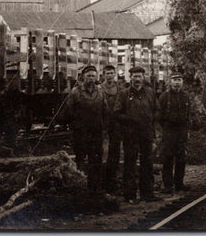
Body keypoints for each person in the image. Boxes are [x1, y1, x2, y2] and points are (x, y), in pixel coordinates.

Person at [114, 65, 161, 203]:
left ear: (143, 78)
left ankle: (148, 194)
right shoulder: (124, 94)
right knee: (130, 163)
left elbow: (158, 109)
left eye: (139, 76)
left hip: (146, 133)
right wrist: (130, 119)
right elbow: (116, 113)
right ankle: (130, 195)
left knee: (147, 163)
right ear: (130, 78)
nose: (137, 79)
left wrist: (153, 118)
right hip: (130, 134)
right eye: (134, 77)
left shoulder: (150, 93)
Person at [62, 64, 108, 194]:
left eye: (93, 76)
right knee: (81, 159)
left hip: (96, 132)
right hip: (81, 132)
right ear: (83, 77)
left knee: (96, 160)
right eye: (88, 76)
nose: (91, 79)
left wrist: (103, 128)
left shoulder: (100, 92)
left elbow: (106, 111)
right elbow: (68, 113)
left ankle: (96, 189)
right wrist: (76, 124)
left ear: (96, 77)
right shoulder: (75, 92)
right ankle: (81, 188)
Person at [157, 73, 191, 194]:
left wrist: (186, 130)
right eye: (175, 80)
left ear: (182, 82)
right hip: (169, 130)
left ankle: (179, 183)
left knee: (181, 157)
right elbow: (159, 115)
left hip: (182, 129)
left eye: (179, 80)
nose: (177, 82)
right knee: (168, 157)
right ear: (170, 82)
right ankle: (168, 185)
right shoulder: (164, 96)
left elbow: (188, 114)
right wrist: (165, 128)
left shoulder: (186, 96)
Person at [100, 65, 126, 193]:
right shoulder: (99, 88)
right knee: (102, 150)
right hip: (103, 123)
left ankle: (112, 179)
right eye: (107, 73)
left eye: (111, 73)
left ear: (115, 74)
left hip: (116, 123)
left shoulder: (120, 88)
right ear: (103, 74)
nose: (109, 75)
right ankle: (102, 181)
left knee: (115, 150)